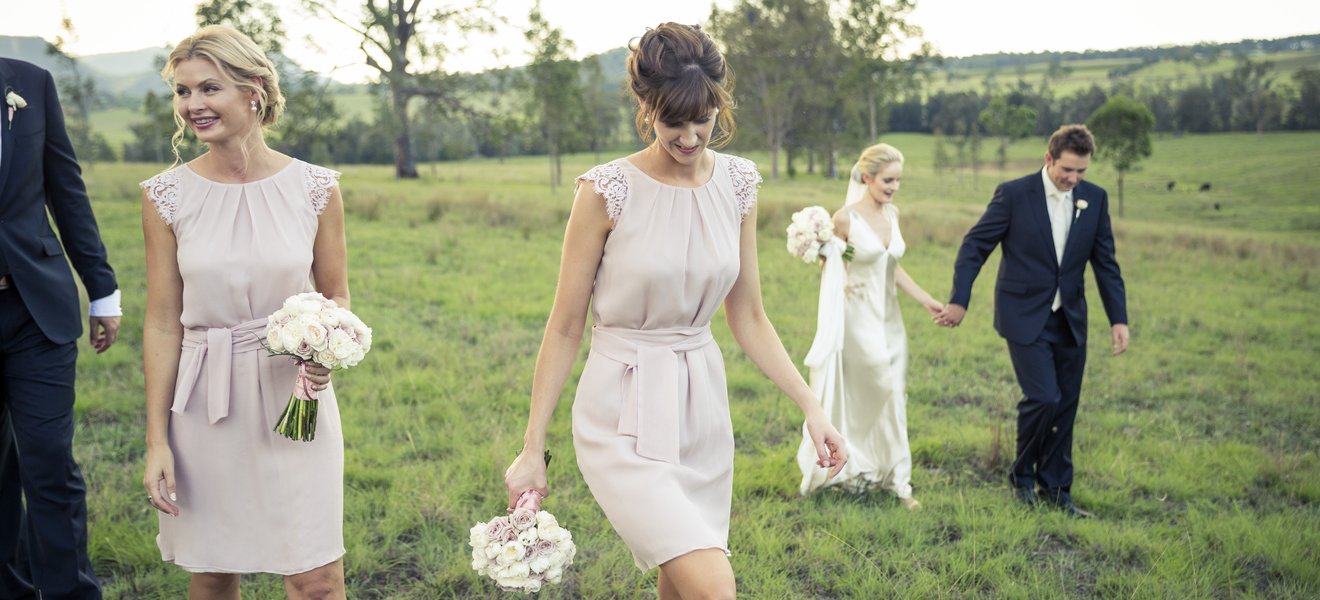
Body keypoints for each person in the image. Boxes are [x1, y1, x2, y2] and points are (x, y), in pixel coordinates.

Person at [502, 22, 848, 599]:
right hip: (621, 409)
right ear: (646, 107)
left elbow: (750, 317)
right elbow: (564, 327)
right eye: (673, 122)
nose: (690, 137)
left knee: (681, 582)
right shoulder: (605, 191)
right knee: (714, 587)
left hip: (702, 404)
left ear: (720, 103)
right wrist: (532, 446)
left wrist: (811, 406)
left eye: (704, 119)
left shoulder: (738, 183)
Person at [139, 25, 348, 598]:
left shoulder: (316, 188)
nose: (192, 106)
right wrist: (158, 440)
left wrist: (325, 350)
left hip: (293, 398)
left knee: (318, 578)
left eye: (209, 89)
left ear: (253, 89)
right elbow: (161, 321)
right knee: (212, 573)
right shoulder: (164, 196)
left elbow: (336, 298)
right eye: (182, 92)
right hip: (204, 399)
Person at [934, 124, 1129, 517]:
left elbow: (1105, 263)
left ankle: (1057, 489)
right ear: (1049, 159)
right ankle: (1022, 477)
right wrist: (960, 300)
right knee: (1043, 397)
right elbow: (975, 246)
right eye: (1067, 170)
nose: (1074, 179)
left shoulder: (1095, 199)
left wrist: (1118, 319)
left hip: (1071, 317)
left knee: (1066, 405)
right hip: (1023, 315)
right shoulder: (1014, 194)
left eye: (1081, 172)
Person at [0, 57, 120, 600]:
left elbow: (64, 187)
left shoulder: (28, 82)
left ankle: (71, 595)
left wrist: (102, 290)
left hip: (34, 309)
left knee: (48, 458)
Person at [796, 144, 942, 509]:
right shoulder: (845, 219)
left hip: (890, 319)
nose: (893, 187)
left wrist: (925, 299)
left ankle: (892, 478)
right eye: (888, 180)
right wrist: (824, 250)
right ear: (867, 178)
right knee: (881, 389)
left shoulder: (892, 214)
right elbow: (831, 269)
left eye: (898, 181)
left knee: (893, 396)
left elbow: (892, 269)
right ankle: (878, 477)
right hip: (856, 316)